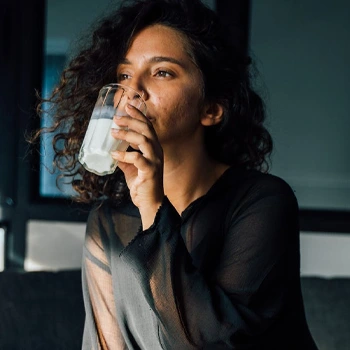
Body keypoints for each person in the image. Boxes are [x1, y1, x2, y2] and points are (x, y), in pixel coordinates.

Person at [37, 0, 319, 348]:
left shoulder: (262, 201)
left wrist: (151, 205)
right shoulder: (109, 219)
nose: (133, 90)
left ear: (211, 109)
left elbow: (214, 341)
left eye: (162, 72)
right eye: (124, 75)